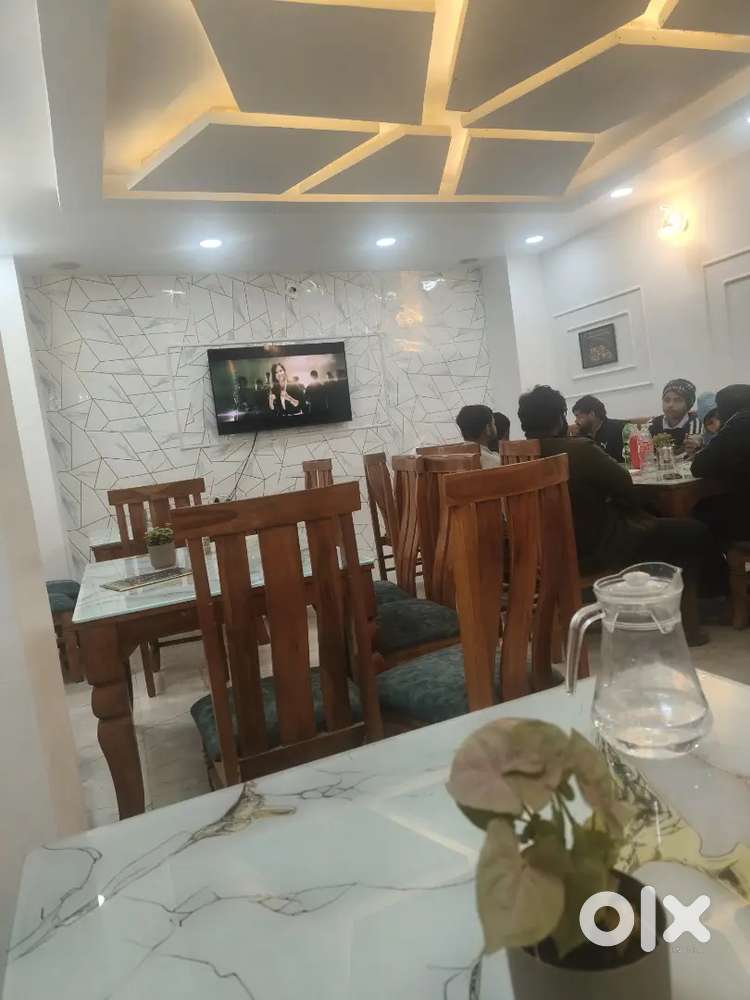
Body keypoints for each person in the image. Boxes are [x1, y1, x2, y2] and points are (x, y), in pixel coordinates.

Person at [518, 385, 725, 637]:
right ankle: (699, 616)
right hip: (596, 549)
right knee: (693, 530)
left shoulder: (513, 457)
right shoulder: (579, 450)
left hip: (542, 554)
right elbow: (624, 485)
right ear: (560, 418)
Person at [692, 384, 750, 544]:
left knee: (699, 509)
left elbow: (699, 466)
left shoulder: (739, 423)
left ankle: (721, 558)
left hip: (745, 514)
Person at [649, 379, 702, 453]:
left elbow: (689, 454)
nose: (670, 405)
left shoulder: (695, 422)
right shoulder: (652, 424)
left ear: (688, 405)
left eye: (677, 400)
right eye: (667, 400)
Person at [572, 394, 628, 463]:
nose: (576, 421)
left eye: (579, 417)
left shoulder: (621, 429)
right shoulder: (581, 436)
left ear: (592, 414)